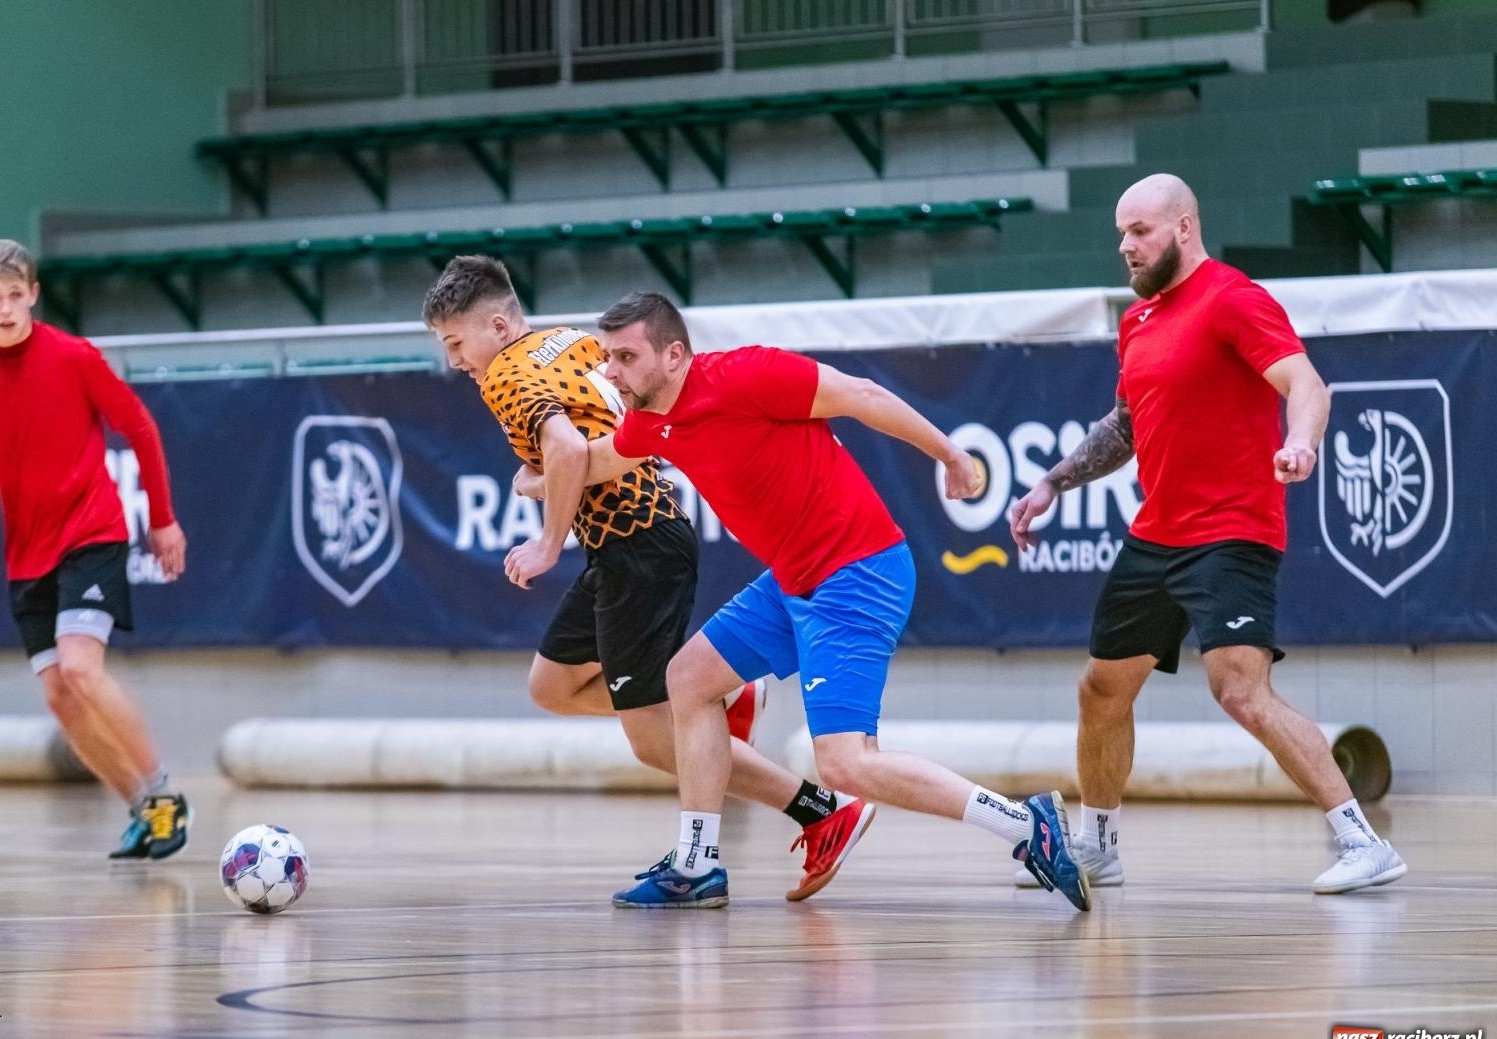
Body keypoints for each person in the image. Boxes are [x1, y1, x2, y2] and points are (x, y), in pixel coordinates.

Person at [570, 290, 1090, 911]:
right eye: (608, 357)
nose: (611, 371)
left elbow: (862, 395)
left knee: (845, 765)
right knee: (689, 680)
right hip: (793, 579)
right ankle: (697, 863)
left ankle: (1026, 826)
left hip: (857, 574)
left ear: (674, 355)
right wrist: (542, 472)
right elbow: (596, 460)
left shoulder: (746, 374)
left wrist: (950, 454)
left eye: (626, 357)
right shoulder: (650, 420)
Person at [423, 255, 875, 902]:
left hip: (636, 545)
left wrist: (548, 540)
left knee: (654, 739)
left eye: (455, 343)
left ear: (496, 326)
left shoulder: (504, 377)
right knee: (551, 685)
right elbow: (607, 430)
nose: (454, 361)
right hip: (632, 542)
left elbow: (569, 448)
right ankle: (721, 708)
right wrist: (543, 475)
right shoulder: (571, 342)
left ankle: (818, 812)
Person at [1008, 174, 1406, 895]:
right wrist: (1052, 483)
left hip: (1232, 531)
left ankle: (1362, 840)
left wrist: (1303, 443)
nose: (1127, 246)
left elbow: (1307, 385)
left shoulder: (1232, 298)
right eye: (1122, 234)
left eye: (1141, 231)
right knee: (1101, 689)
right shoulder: (1138, 321)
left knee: (1239, 690)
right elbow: (1125, 425)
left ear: (1184, 227)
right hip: (1156, 535)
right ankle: (1098, 846)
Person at [0, 239, 191, 860]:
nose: (7, 308)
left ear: (34, 295)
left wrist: (163, 519)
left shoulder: (73, 356)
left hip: (91, 531)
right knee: (60, 699)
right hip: (27, 553)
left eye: (16, 294)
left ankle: (165, 794)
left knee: (79, 668)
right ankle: (140, 808)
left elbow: (140, 426)